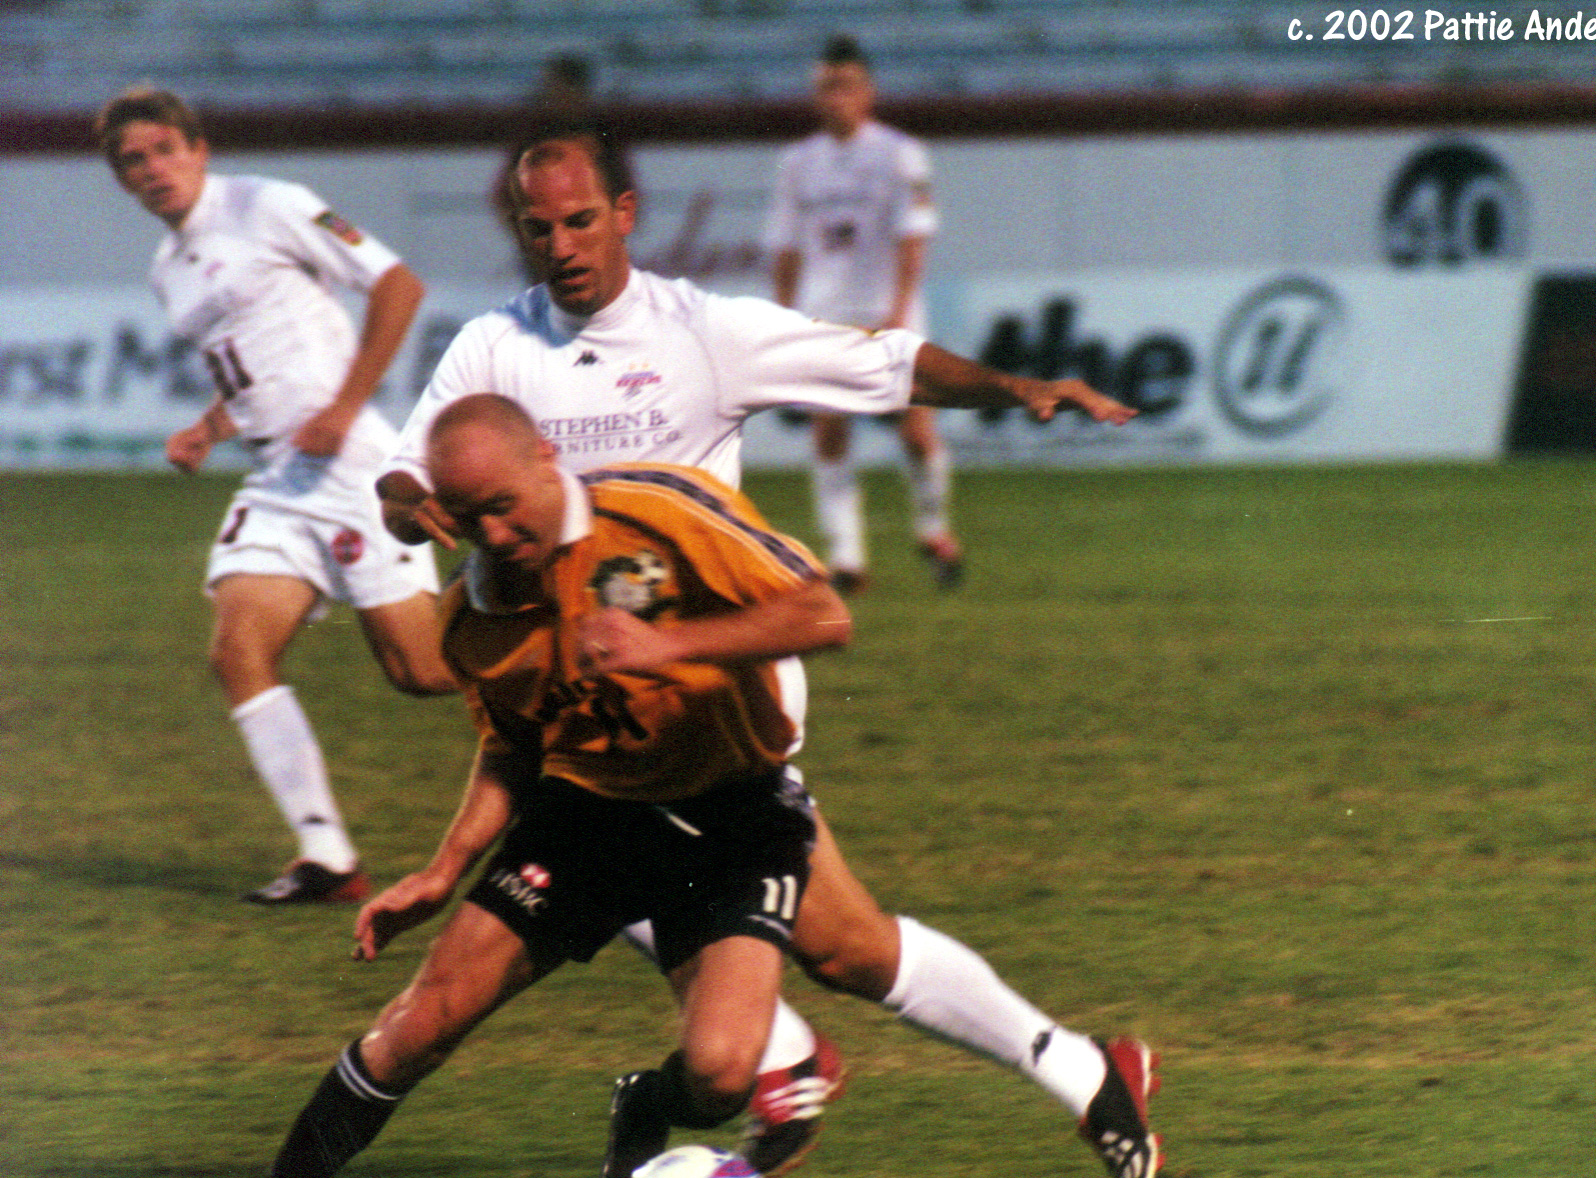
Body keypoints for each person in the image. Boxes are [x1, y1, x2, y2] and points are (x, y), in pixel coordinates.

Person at [372, 121, 1156, 1178]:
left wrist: (1012, 389)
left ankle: (775, 1060)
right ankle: (1062, 1067)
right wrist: (415, 506)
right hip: (579, 702)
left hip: (712, 694)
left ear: (624, 215)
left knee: (771, 924)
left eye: (579, 219)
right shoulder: (489, 350)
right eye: (537, 225)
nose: (558, 244)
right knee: (836, 942)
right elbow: (401, 474)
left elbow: (880, 361)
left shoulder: (701, 332)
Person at [269, 393, 852, 1178]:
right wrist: (443, 872)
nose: (498, 538)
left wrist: (667, 645)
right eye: (473, 521)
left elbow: (822, 616)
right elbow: (510, 752)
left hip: (737, 816)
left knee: (719, 1076)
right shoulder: (470, 619)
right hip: (587, 820)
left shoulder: (658, 510)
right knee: (418, 1024)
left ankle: (648, 1103)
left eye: (506, 509)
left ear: (545, 457)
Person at [95, 85, 456, 904]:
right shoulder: (167, 270)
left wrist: (344, 405)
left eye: (163, 149)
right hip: (279, 478)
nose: (152, 169)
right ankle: (327, 856)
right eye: (132, 161)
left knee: (425, 671)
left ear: (198, 148)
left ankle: (580, 668)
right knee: (235, 651)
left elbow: (399, 286)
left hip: (351, 464)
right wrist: (209, 427)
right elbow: (254, 371)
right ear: (122, 181)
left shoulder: (269, 204)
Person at [764, 34, 960, 594]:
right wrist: (783, 317)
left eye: (846, 85)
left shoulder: (899, 153)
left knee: (915, 428)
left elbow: (913, 238)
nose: (836, 97)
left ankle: (933, 526)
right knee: (830, 426)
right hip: (824, 311)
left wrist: (899, 309)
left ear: (867, 92)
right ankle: (847, 557)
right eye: (826, 87)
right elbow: (785, 245)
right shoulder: (798, 162)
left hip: (886, 308)